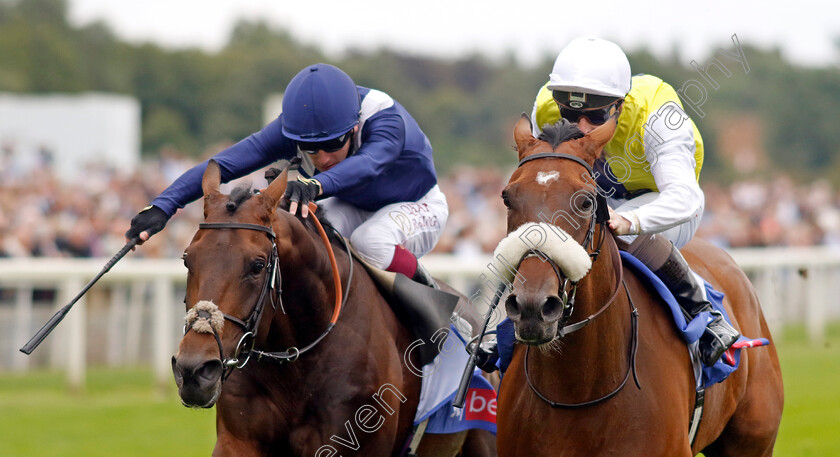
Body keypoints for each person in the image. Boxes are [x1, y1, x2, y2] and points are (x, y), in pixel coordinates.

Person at [489, 37, 738, 368]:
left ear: (619, 105)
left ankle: (703, 313)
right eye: (570, 113)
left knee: (615, 235)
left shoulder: (658, 116)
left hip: (659, 203)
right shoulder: (545, 107)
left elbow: (686, 198)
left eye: (594, 116)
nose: (580, 128)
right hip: (593, 198)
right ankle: (510, 324)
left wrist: (630, 222)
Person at [125, 63, 447, 288]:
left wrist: (315, 183)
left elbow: (369, 165)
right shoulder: (292, 127)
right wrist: (163, 206)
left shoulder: (385, 118)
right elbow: (223, 164)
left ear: (355, 127)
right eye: (310, 148)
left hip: (418, 204)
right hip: (352, 204)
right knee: (305, 231)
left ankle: (431, 297)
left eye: (333, 144)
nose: (323, 157)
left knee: (370, 240)